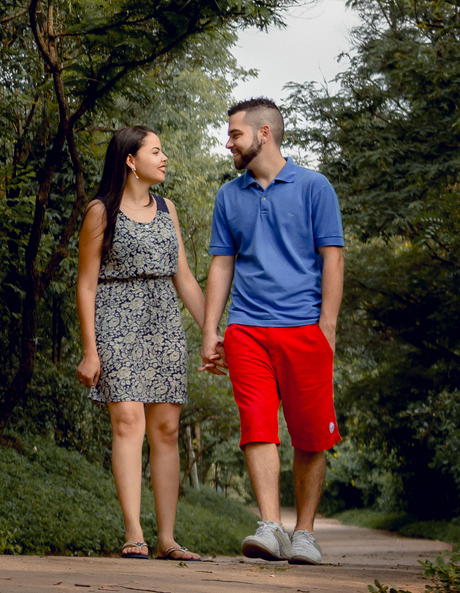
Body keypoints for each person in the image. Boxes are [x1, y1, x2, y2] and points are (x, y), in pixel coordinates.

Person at [200, 97, 345, 566]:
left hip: (305, 330)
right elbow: (222, 264)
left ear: (263, 134)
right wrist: (211, 328)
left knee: (310, 435)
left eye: (235, 134)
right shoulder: (229, 196)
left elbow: (333, 259)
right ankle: (269, 526)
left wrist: (327, 327)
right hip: (247, 330)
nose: (229, 143)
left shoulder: (315, 187)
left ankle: (304, 533)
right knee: (257, 426)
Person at [77, 126, 206, 561]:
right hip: (116, 318)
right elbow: (86, 284)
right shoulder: (101, 211)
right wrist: (90, 349)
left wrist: (211, 332)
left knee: (166, 430)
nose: (164, 157)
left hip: (164, 323)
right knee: (128, 422)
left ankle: (167, 539)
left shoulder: (168, 208)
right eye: (156, 151)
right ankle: (134, 533)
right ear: (131, 160)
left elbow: (184, 278)